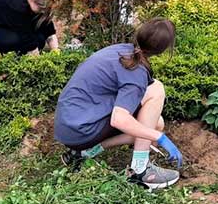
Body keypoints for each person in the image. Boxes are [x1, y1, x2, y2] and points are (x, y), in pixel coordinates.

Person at [54, 18, 183, 190]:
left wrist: (153, 131)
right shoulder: (136, 73)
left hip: (67, 125)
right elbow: (119, 120)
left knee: (155, 123)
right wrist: (158, 137)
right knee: (156, 90)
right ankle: (140, 171)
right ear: (163, 50)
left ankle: (83, 154)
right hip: (80, 130)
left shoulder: (120, 50)